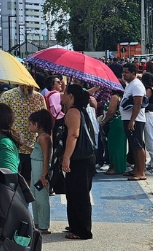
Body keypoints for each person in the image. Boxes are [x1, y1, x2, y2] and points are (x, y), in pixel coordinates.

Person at [59, 84, 95, 240]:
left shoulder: (74, 111)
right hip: (85, 157)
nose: (62, 95)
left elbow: (73, 135)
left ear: (71, 96)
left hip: (79, 158)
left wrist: (66, 157)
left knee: (79, 194)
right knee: (74, 193)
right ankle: (75, 225)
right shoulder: (78, 110)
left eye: (65, 92)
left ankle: (83, 230)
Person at [0, 84, 46, 184]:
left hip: (32, 147)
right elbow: (1, 119)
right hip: (12, 146)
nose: (30, 88)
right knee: (12, 178)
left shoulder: (39, 98)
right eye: (27, 85)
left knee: (29, 179)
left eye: (32, 86)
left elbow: (44, 120)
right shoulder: (8, 96)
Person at [28, 109, 53, 234]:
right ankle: (37, 222)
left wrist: (44, 175)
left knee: (41, 197)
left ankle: (43, 224)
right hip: (36, 166)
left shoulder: (44, 138)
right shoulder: (40, 137)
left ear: (37, 124)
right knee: (35, 195)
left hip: (40, 167)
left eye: (31, 123)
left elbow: (46, 156)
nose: (29, 126)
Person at [121, 63, 147, 181]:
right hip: (128, 119)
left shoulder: (136, 85)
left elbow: (138, 104)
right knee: (133, 146)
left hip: (135, 120)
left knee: (138, 145)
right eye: (123, 72)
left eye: (126, 72)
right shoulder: (129, 84)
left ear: (133, 73)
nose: (124, 74)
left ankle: (141, 172)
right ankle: (136, 168)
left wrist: (132, 120)